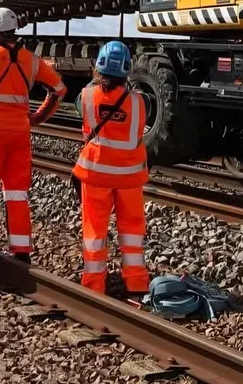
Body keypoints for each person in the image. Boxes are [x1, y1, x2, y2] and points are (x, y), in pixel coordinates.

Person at [0, 7, 66, 277]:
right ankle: (21, 252)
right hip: (21, 134)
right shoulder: (31, 59)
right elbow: (59, 89)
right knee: (17, 195)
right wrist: (38, 117)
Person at [72, 41, 150, 296]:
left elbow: (81, 104)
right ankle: (136, 282)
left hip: (96, 174)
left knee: (94, 231)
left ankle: (94, 284)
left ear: (99, 67)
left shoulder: (86, 96)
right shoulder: (140, 102)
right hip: (129, 177)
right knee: (132, 231)